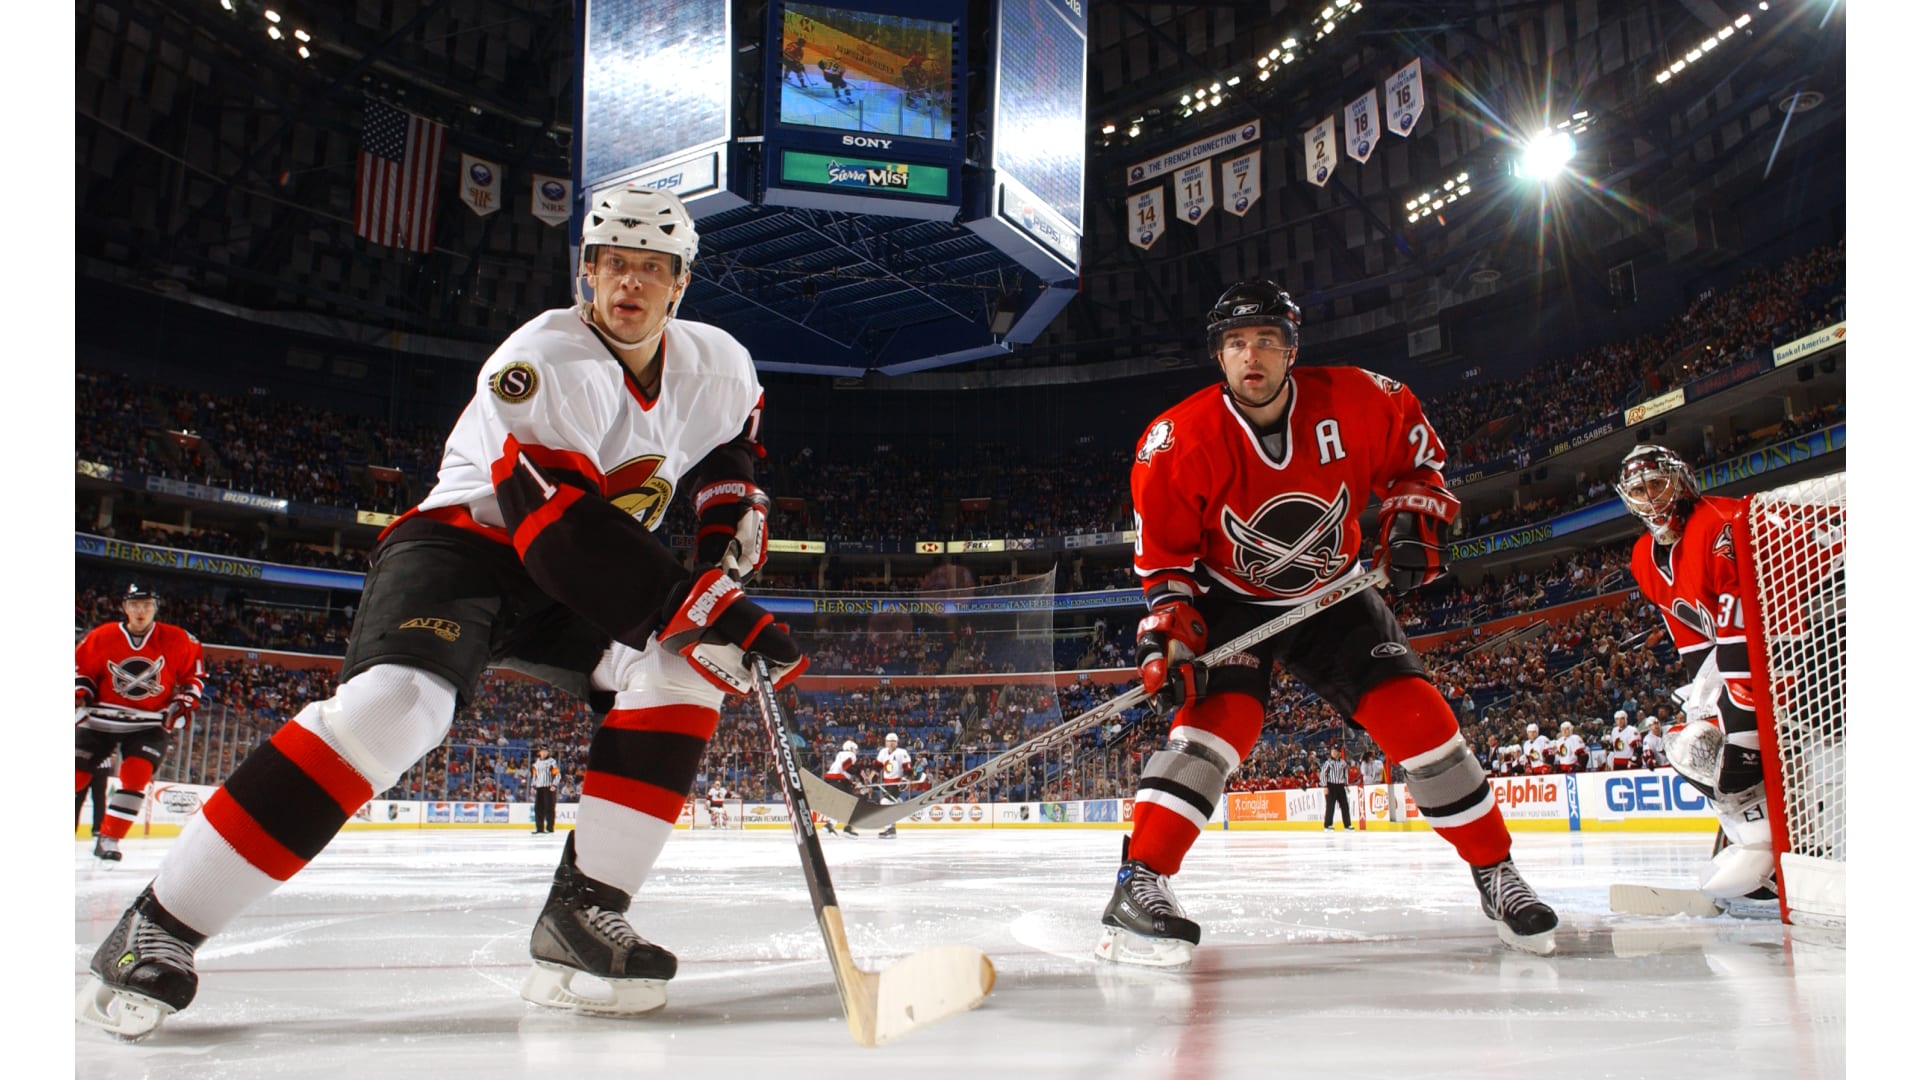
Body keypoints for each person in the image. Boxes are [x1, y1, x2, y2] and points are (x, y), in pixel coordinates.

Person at [77, 184, 807, 1038]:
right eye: (614, 263)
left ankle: (584, 914)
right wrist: (706, 600)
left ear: (681, 283)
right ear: (587, 270)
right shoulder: (542, 358)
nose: (630, 283)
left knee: (682, 666)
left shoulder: (721, 364)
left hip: (579, 567)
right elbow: (558, 530)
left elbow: (732, 444)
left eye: (652, 267)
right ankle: (158, 924)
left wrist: (726, 525)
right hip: (467, 551)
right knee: (397, 708)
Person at [1097, 279, 1556, 968]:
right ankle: (1139, 881)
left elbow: (1420, 464)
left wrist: (1415, 515)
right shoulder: (1173, 442)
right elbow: (1166, 567)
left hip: (1333, 593)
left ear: (1292, 349)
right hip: (1231, 601)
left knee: (1417, 717)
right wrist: (1171, 634)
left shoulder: (1360, 398)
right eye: (1235, 343)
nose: (1251, 356)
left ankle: (1497, 872)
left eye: (1266, 341)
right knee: (1216, 727)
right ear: (1219, 355)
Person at [1615, 444, 1772, 899]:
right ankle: (1754, 840)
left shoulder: (1720, 522)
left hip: (1790, 640)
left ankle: (1772, 844)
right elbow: (1694, 644)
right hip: (1741, 655)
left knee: (1735, 755)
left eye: (1656, 483)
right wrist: (1706, 709)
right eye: (1638, 490)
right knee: (1692, 744)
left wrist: (1740, 713)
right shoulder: (1643, 557)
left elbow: (1741, 618)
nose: (1650, 497)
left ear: (1680, 480)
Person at [74, 583, 206, 863]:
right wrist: (79, 695)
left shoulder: (179, 639)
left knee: (137, 776)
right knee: (75, 775)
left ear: (156, 607)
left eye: (146, 605)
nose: (140, 610)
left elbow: (192, 679)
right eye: (134, 604)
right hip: (99, 719)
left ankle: (109, 838)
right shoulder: (101, 636)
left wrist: (183, 702)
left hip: (148, 723)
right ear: (125, 607)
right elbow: (80, 672)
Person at [819, 738, 861, 836]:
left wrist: (850, 783)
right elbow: (847, 767)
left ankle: (830, 825)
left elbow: (842, 770)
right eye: (855, 749)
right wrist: (859, 773)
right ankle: (847, 828)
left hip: (830, 780)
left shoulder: (840, 754)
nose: (856, 751)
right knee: (852, 803)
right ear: (851, 748)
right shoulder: (851, 754)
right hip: (838, 780)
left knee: (840, 804)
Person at [874, 732, 911, 839]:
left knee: (885, 802)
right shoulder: (883, 752)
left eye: (893, 741)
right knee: (890, 804)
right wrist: (872, 776)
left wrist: (905, 779)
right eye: (889, 741)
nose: (891, 743)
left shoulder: (902, 753)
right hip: (887, 783)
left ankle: (890, 829)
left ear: (897, 742)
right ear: (886, 742)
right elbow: (877, 767)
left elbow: (908, 769)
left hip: (897, 783)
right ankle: (892, 826)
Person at [1320, 748, 1352, 831]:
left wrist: (1346, 785)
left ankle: (1347, 825)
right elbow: (1323, 774)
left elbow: (1345, 774)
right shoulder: (1328, 762)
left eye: (1335, 751)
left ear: (1339, 753)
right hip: (1331, 786)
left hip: (1340, 786)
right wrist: (1325, 786)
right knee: (1330, 806)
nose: (1334, 753)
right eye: (1332, 751)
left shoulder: (1343, 763)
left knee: (1345, 806)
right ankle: (1327, 825)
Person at [530, 747, 559, 834]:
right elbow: (535, 776)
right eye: (543, 751)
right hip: (539, 788)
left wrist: (554, 784)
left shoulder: (552, 762)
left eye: (546, 751)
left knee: (549, 808)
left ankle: (550, 828)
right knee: (538, 808)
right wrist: (532, 786)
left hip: (548, 787)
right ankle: (539, 828)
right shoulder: (536, 763)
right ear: (540, 752)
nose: (544, 753)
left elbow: (557, 774)